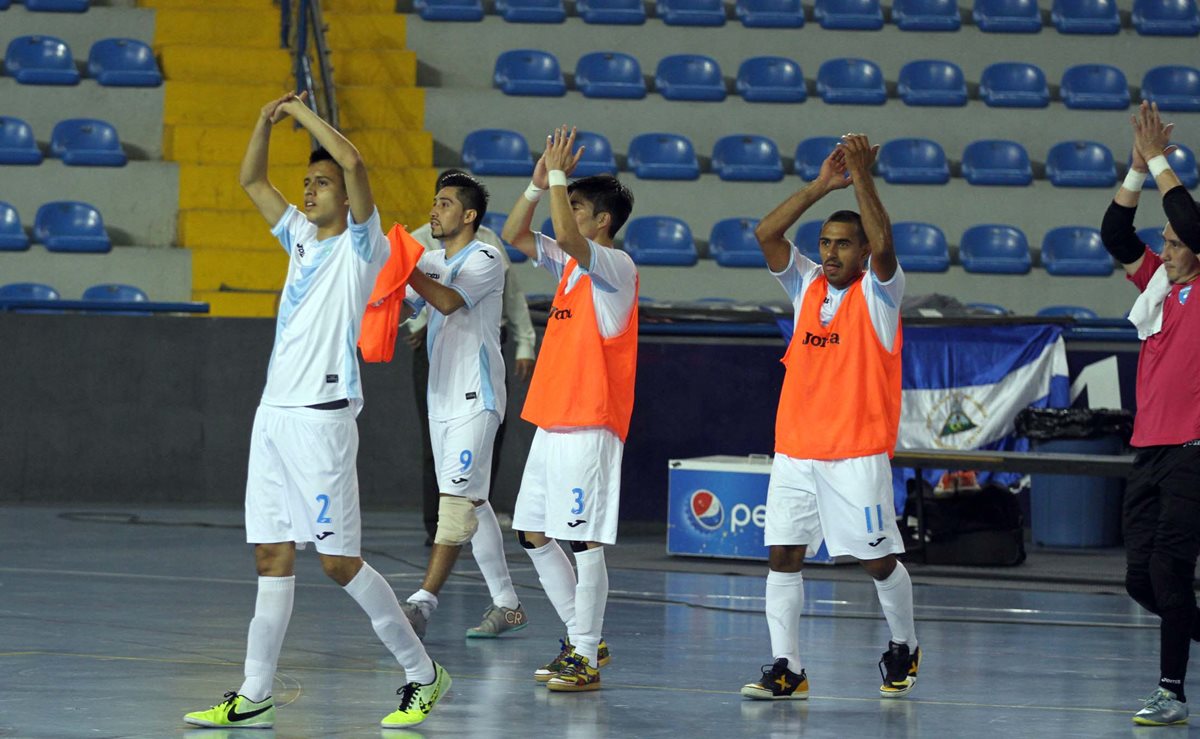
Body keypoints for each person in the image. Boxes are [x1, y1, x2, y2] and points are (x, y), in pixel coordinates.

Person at [182, 92, 449, 731]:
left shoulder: (364, 249)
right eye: (307, 182)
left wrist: (301, 114)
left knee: (337, 562)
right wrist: (261, 118)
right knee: (271, 557)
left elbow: (355, 163)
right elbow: (250, 178)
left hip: (321, 419)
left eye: (320, 183)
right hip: (272, 417)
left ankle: (422, 674)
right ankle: (254, 693)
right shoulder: (299, 237)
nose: (310, 191)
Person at [740, 134, 920, 701]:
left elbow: (886, 242)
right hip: (796, 449)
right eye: (825, 242)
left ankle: (905, 645)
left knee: (875, 560)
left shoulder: (880, 295)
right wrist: (822, 186)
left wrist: (863, 178)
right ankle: (786, 667)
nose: (832, 252)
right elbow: (766, 233)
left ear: (865, 252)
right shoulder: (806, 285)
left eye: (844, 244)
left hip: (855, 453)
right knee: (783, 556)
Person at [501, 126, 637, 692]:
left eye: (578, 207)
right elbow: (515, 233)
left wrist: (558, 175)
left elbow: (563, 235)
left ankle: (582, 653)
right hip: (554, 421)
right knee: (532, 531)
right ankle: (584, 639)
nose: (568, 213)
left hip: (591, 425)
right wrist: (537, 185)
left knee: (584, 540)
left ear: (600, 220)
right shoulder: (569, 268)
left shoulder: (615, 267)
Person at [1099, 101, 1200, 727]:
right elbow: (1115, 235)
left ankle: (1172, 692)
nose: (1162, 245)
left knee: (1170, 568)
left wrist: (1162, 159)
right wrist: (1136, 168)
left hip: (1194, 448)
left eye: (1171, 242)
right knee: (1142, 580)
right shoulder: (1159, 285)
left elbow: (1189, 216)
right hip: (1150, 449)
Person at [398, 171, 529, 640]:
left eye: (446, 203)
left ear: (469, 215)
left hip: (478, 397)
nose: (435, 210)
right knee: (475, 501)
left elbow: (449, 301)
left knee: (454, 507)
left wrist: (404, 269)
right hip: (441, 398)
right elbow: (404, 308)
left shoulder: (488, 257)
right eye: (434, 202)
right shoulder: (430, 259)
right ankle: (509, 606)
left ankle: (421, 604)